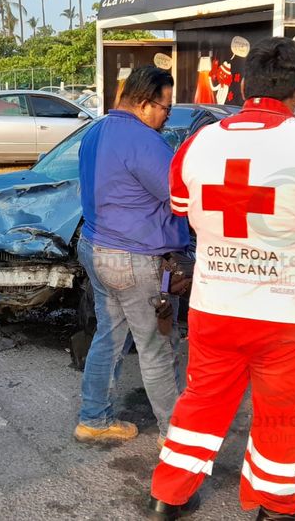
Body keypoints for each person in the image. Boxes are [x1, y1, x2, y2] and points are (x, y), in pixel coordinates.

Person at [147, 37, 295, 521]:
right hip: (291, 313)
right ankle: (274, 507)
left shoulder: (198, 143)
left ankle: (167, 497)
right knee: (284, 414)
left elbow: (184, 212)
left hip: (215, 306)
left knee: (201, 403)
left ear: (239, 84)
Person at [74, 66, 187, 447]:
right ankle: (175, 438)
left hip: (97, 249)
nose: (167, 115)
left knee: (110, 336)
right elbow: (180, 197)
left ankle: (93, 418)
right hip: (136, 258)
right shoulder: (144, 141)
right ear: (142, 104)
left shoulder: (95, 132)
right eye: (165, 107)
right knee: (157, 346)